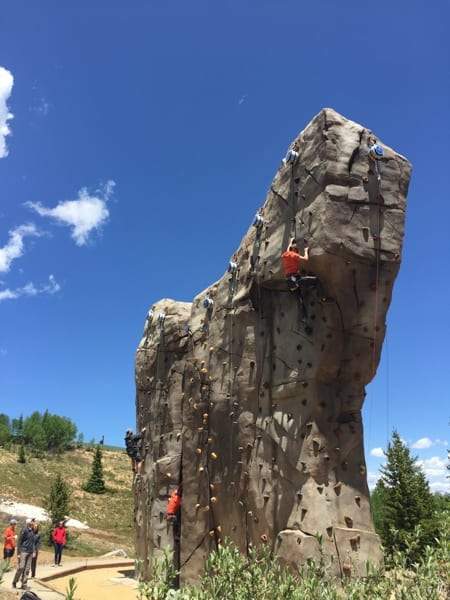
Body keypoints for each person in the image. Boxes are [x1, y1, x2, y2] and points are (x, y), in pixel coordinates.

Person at [281, 238, 319, 321]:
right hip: (295, 280)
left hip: (290, 282)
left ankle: (304, 317)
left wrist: (290, 241)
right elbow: (306, 259)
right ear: (295, 250)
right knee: (315, 280)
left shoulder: (286, 254)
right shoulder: (295, 255)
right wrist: (306, 250)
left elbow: (288, 249)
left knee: (300, 299)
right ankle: (322, 297)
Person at [12, 519, 36, 590]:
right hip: (24, 551)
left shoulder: (32, 531)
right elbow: (19, 541)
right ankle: (14, 581)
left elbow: (33, 542)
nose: (33, 523)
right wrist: (18, 553)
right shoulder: (24, 530)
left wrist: (34, 551)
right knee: (21, 567)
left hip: (30, 552)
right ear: (28, 523)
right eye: (32, 521)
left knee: (27, 569)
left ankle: (24, 584)